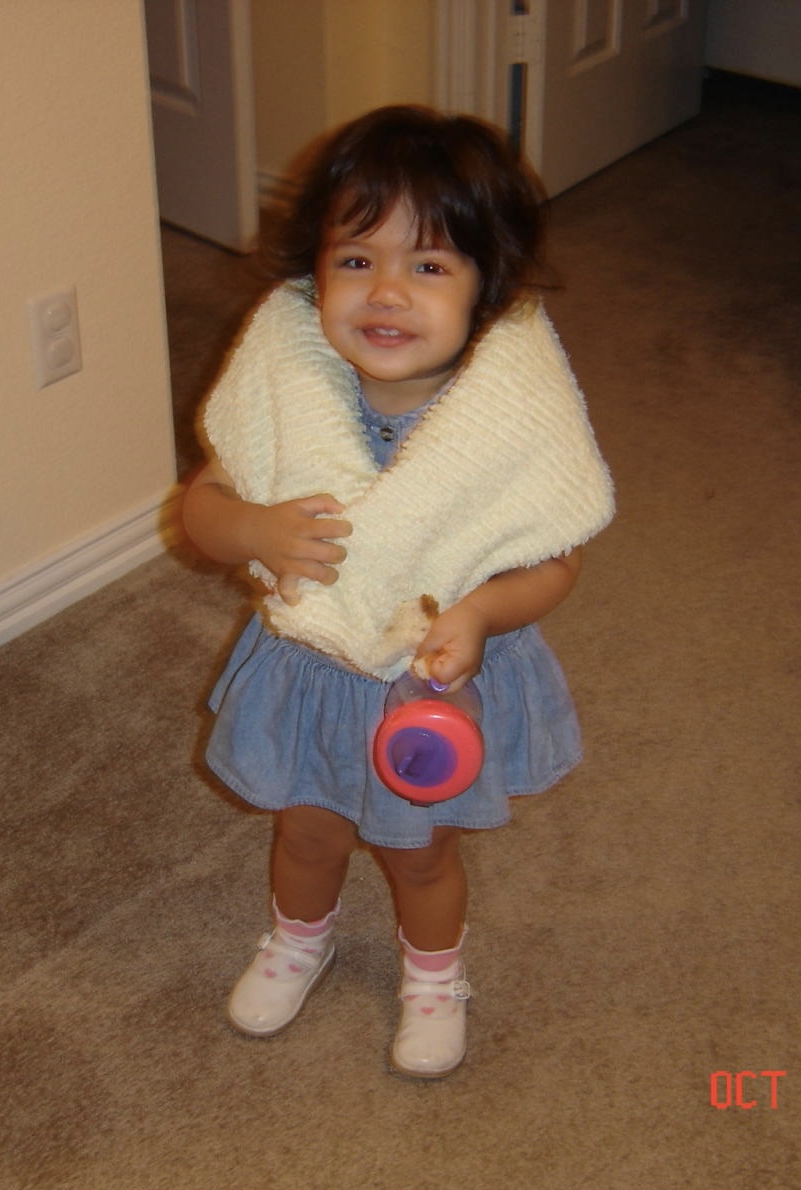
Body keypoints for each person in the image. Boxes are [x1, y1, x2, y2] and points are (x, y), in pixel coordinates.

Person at [181, 105, 614, 1078]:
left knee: (422, 853)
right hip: (310, 670)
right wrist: (252, 529)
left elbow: (556, 558)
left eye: (428, 266)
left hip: (434, 687)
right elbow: (201, 506)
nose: (386, 292)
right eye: (355, 259)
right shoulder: (287, 388)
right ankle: (299, 938)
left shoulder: (505, 418)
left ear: (488, 288)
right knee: (306, 831)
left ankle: (433, 975)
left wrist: (480, 613)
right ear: (313, 272)